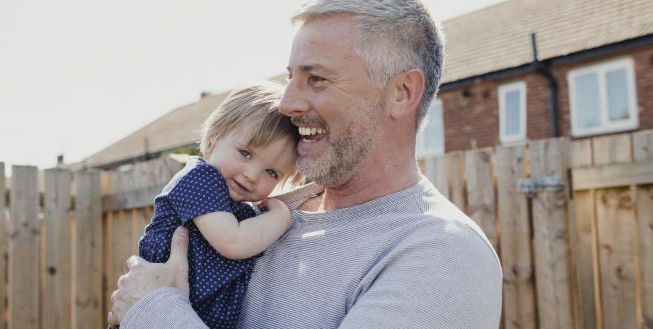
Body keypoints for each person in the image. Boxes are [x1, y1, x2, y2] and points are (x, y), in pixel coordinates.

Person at [109, 0, 503, 327]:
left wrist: (153, 308)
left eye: (316, 79)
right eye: (291, 77)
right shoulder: (262, 213)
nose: (286, 103)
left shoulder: (442, 253)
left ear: (401, 93)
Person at [131, 82, 302, 329]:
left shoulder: (241, 210)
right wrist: (281, 215)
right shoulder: (200, 178)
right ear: (213, 139)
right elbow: (234, 242)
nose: (252, 175)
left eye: (271, 172)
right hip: (153, 313)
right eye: (245, 153)